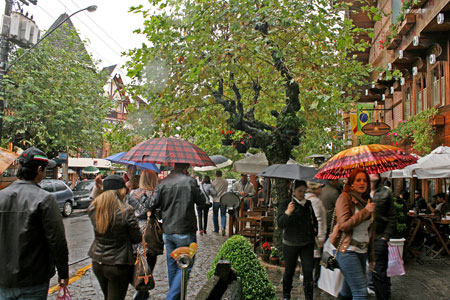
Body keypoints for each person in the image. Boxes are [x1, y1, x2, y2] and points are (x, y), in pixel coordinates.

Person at [0, 147, 69, 299]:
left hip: (3, 280)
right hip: (33, 280)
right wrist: (63, 273)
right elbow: (57, 241)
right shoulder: (45, 199)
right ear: (39, 170)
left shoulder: (1, 196)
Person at [148, 163, 205, 300]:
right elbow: (202, 201)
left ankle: (176, 297)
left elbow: (152, 204)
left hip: (168, 230)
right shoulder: (190, 181)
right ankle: (172, 297)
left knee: (173, 265)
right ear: (185, 168)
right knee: (186, 265)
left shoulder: (162, 182)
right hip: (185, 229)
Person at [88, 174, 142, 300]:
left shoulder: (95, 207)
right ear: (120, 190)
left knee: (108, 296)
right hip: (118, 263)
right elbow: (136, 238)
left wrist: (98, 188)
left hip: (98, 261)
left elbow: (93, 199)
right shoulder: (126, 210)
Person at [330, 168, 375, 300]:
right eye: (358, 180)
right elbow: (344, 225)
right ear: (351, 183)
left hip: (362, 251)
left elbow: (371, 232)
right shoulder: (344, 198)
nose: (362, 183)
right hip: (348, 250)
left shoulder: (367, 200)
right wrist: (366, 212)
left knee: (347, 292)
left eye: (365, 180)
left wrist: (372, 258)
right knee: (361, 292)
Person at [278, 180, 318, 300]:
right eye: (299, 191)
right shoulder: (286, 203)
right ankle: (286, 295)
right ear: (294, 191)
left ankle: (309, 296)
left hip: (307, 243)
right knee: (289, 271)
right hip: (290, 243)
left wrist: (315, 233)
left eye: (304, 192)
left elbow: (314, 220)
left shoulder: (308, 204)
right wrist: (288, 213)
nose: (302, 194)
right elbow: (281, 224)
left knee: (308, 271)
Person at [126, 170, 159, 300]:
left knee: (138, 261)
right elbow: (160, 213)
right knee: (149, 262)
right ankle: (141, 291)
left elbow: (128, 211)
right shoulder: (155, 195)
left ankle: (141, 289)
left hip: (135, 230)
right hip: (150, 231)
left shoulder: (132, 194)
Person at [369, 173, 397, 300]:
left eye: (376, 170)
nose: (373, 172)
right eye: (370, 169)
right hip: (361, 239)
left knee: (379, 273)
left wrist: (385, 236)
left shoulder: (385, 193)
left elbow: (392, 216)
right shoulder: (358, 191)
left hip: (378, 237)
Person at [305, 181, 327, 287]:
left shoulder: (304, 199)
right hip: (314, 236)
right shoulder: (316, 201)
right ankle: (312, 280)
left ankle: (306, 278)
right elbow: (319, 220)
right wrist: (321, 236)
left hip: (305, 235)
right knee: (315, 259)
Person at [212, 170, 229, 236]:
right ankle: (223, 227)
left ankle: (216, 229)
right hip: (223, 200)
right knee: (223, 215)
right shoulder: (225, 181)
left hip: (216, 200)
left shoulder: (213, 182)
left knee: (215, 215)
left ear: (216, 175)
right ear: (221, 174)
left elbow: (212, 191)